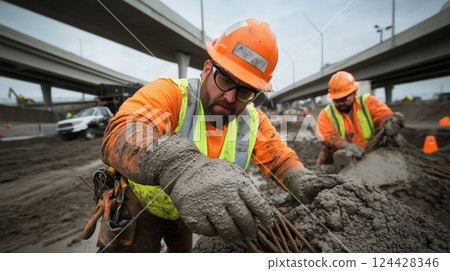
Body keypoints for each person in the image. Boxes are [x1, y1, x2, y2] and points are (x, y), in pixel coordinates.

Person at [90, 18, 319, 253]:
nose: (231, 97)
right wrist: (180, 167)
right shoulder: (172, 94)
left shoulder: (253, 121)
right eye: (226, 80)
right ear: (207, 69)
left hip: (184, 211)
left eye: (245, 90)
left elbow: (280, 159)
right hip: (140, 205)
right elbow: (122, 131)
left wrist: (301, 180)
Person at [315, 71, 405, 165]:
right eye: (336, 100)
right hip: (343, 156)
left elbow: (382, 114)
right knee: (325, 148)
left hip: (372, 151)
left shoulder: (368, 102)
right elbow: (327, 135)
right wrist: (345, 145)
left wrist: (388, 121)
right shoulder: (326, 113)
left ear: (354, 93)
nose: (341, 103)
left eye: (345, 99)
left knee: (390, 138)